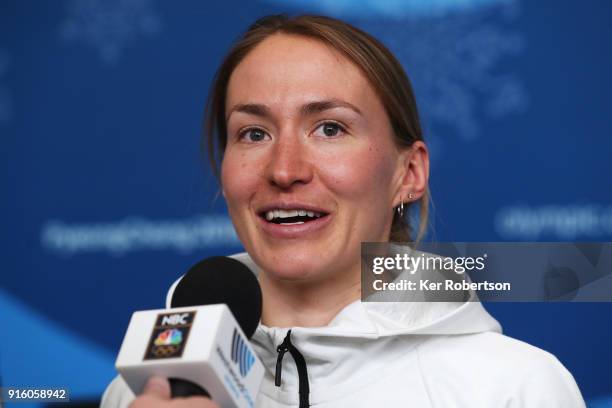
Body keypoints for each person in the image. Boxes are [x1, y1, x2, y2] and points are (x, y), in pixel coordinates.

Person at [101, 14, 585, 408]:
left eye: (329, 129)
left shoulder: (513, 388)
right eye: (253, 133)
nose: (284, 169)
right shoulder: (144, 393)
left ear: (409, 173)